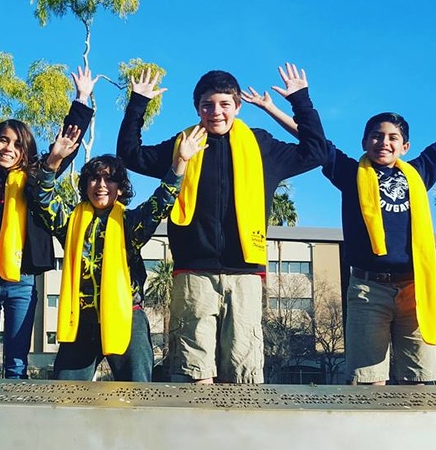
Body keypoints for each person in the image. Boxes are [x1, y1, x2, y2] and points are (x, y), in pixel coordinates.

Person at [245, 88, 436, 384]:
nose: (383, 143)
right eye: (376, 136)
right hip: (367, 288)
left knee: (421, 377)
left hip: (415, 288)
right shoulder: (350, 172)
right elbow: (315, 142)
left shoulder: (418, 173)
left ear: (405, 146)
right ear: (364, 141)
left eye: (392, 138)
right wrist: (271, 109)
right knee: (367, 378)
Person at [116, 63, 327, 384]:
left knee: (243, 373)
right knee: (192, 371)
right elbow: (130, 155)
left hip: (245, 275)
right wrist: (138, 103)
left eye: (225, 104)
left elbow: (317, 151)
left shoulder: (261, 146)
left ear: (237, 107)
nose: (216, 111)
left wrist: (301, 100)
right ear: (197, 108)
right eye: (207, 105)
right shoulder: (182, 145)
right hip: (193, 274)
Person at [0, 67, 95, 378]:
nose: (8, 148)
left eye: (17, 144)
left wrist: (81, 100)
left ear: (25, 151)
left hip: (22, 280)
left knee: (17, 364)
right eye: (3, 140)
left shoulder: (33, 176)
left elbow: (66, 145)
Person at [33, 121, 207, 381]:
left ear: (121, 188)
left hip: (127, 316)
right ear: (86, 185)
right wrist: (54, 160)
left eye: (110, 179)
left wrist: (180, 161)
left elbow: (162, 201)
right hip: (80, 318)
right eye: (95, 178)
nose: (101, 184)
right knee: (65, 393)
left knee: (137, 393)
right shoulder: (70, 222)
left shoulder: (130, 222)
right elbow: (42, 197)